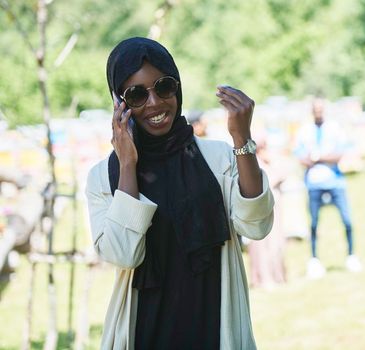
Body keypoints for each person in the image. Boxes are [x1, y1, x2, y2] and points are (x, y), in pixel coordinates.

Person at [85, 37, 274, 350]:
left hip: (214, 330)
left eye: (164, 87)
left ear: (178, 86)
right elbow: (123, 255)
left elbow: (257, 225)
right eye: (136, 94)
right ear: (120, 102)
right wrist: (128, 164)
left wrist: (242, 137)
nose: (155, 103)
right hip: (145, 333)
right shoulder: (105, 177)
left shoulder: (218, 159)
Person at [294, 98, 362, 279]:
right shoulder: (304, 131)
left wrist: (319, 158)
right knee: (314, 223)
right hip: (314, 184)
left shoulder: (335, 129)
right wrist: (311, 159)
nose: (318, 112)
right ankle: (314, 259)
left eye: (321, 109)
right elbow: (300, 156)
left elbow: (340, 154)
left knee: (346, 220)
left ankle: (351, 255)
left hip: (335, 182)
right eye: (315, 109)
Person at [246, 133, 287, 289]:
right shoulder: (251, 162)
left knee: (277, 241)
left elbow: (282, 174)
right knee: (260, 244)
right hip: (259, 209)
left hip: (275, 205)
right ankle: (263, 277)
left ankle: (278, 275)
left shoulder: (272, 158)